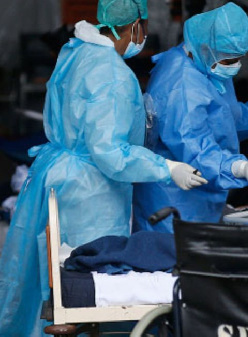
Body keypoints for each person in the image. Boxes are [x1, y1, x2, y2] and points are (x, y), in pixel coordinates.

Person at [0, 0, 207, 334]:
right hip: (91, 193)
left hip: (63, 176)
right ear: (135, 26)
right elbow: (110, 153)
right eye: (144, 26)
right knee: (87, 290)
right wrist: (167, 168)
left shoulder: (78, 51)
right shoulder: (113, 75)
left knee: (55, 279)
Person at [133, 3, 248, 232]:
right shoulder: (181, 85)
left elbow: (222, 117)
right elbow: (195, 147)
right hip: (173, 205)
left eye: (239, 59)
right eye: (230, 61)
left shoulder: (206, 62)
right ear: (207, 48)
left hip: (202, 201)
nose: (235, 66)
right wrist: (236, 167)